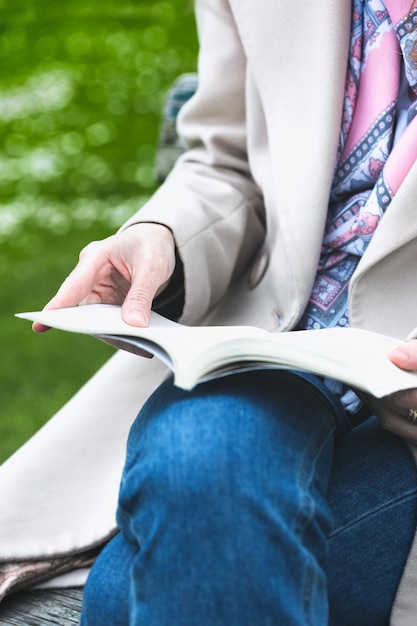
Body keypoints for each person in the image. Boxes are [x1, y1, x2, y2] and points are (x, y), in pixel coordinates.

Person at [33, 0, 417, 623]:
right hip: (278, 343)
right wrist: (165, 237)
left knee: (125, 595)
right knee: (198, 453)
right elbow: (228, 159)